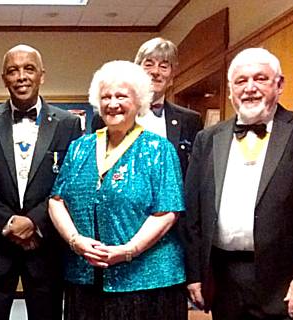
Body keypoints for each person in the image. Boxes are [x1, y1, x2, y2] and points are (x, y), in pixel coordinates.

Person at [49, 60, 187, 320]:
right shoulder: (80, 147)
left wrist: (128, 250)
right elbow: (56, 200)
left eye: (121, 96)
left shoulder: (159, 149)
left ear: (139, 101)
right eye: (106, 97)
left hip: (146, 282)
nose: (112, 103)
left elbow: (168, 212)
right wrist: (75, 241)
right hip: (86, 277)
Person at [182, 48, 293, 320]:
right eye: (241, 81)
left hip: (288, 283)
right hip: (224, 278)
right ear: (230, 90)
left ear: (279, 84)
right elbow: (193, 214)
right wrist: (194, 275)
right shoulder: (208, 138)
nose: (250, 88)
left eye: (260, 78)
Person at [0, 44, 82, 320]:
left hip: (46, 245)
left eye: (29, 69)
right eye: (13, 71)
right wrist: (8, 222)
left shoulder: (68, 124)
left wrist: (35, 222)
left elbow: (70, 181)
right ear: (3, 78)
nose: (21, 76)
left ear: (42, 75)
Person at [92, 37, 202, 175]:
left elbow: (195, 173)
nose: (156, 72)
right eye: (149, 64)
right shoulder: (107, 116)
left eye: (164, 66)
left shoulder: (190, 120)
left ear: (172, 76)